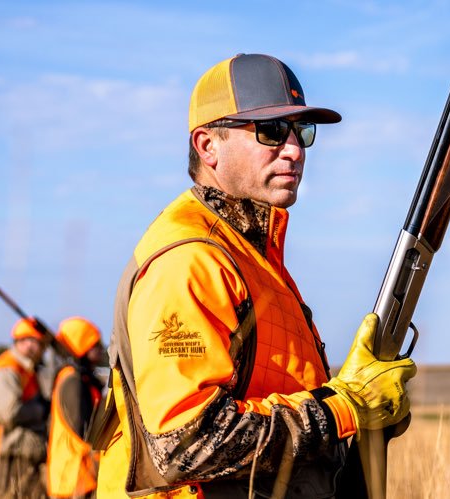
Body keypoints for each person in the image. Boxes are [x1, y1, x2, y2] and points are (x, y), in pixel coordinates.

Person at [96, 53, 416, 499]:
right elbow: (185, 444)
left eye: (302, 131)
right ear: (208, 145)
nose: (295, 149)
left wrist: (367, 408)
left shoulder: (252, 255)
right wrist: (343, 407)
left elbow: (277, 397)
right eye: (271, 130)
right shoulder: (190, 259)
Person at [0, 318, 51, 498]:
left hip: (14, 450)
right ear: (22, 342)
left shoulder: (26, 369)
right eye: (38, 343)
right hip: (3, 451)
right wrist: (41, 410)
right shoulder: (7, 370)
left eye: (41, 344)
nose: (40, 349)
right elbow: (9, 413)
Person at [47, 316, 107, 499]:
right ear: (81, 347)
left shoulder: (79, 377)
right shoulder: (72, 380)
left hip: (78, 475)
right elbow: (85, 430)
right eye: (95, 345)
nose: (101, 348)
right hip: (74, 476)